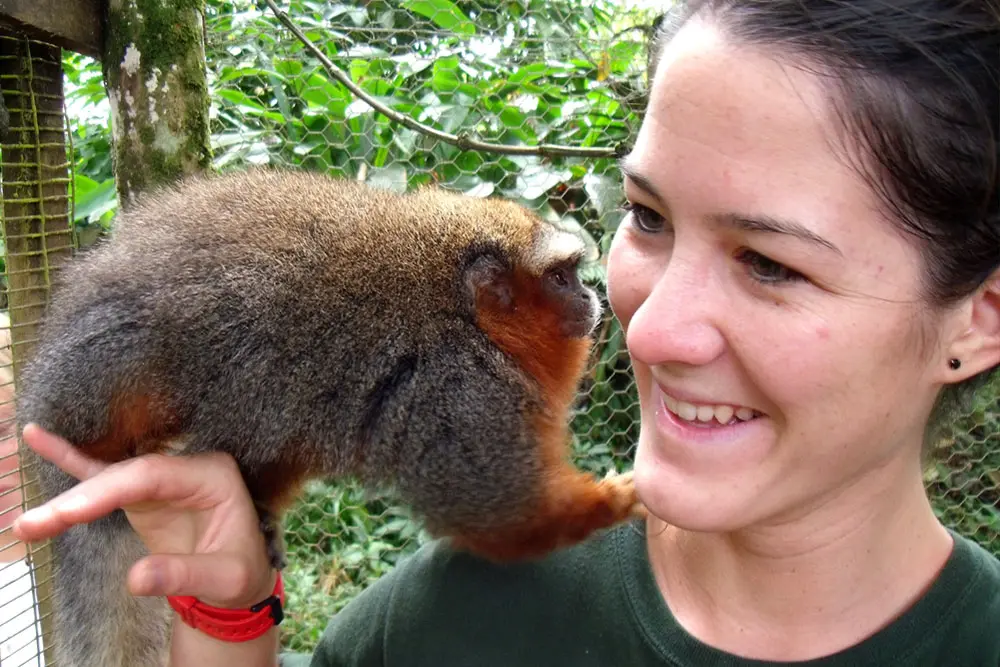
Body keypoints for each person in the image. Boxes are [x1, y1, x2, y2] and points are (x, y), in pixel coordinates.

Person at [11, 0, 1000, 665]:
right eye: (648, 218)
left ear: (979, 317)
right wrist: (227, 615)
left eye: (771, 264)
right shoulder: (437, 625)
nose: (650, 331)